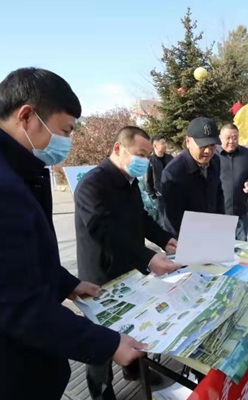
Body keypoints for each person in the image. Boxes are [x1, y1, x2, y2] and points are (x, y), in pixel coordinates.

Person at [0, 68, 146, 400]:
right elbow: (18, 304)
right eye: (64, 131)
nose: (67, 142)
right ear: (26, 116)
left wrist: (65, 283)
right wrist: (109, 344)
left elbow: (11, 255)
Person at [74, 126, 180, 400]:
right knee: (101, 340)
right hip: (100, 276)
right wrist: (148, 257)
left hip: (130, 268)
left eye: (147, 156)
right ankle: (101, 391)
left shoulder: (130, 182)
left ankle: (134, 370)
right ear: (118, 149)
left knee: (134, 324)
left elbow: (140, 218)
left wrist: (164, 239)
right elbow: (104, 231)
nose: (144, 161)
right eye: (140, 154)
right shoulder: (92, 184)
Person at [161, 117, 224, 237]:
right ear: (188, 141)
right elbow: (173, 219)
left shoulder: (215, 161)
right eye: (202, 145)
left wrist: (220, 225)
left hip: (212, 231)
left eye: (212, 145)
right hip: (187, 236)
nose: (208, 151)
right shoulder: (173, 172)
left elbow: (218, 195)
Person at [217, 123, 248, 241]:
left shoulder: (246, 153)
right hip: (219, 214)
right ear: (220, 137)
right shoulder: (212, 155)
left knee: (241, 247)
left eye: (235, 138)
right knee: (221, 247)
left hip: (240, 212)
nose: (231, 141)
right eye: (228, 138)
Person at [145, 134, 174, 227]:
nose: (165, 145)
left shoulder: (170, 158)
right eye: (162, 143)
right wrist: (153, 195)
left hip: (171, 195)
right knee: (162, 222)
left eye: (165, 143)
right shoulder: (150, 161)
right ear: (155, 146)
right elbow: (147, 181)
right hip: (159, 197)